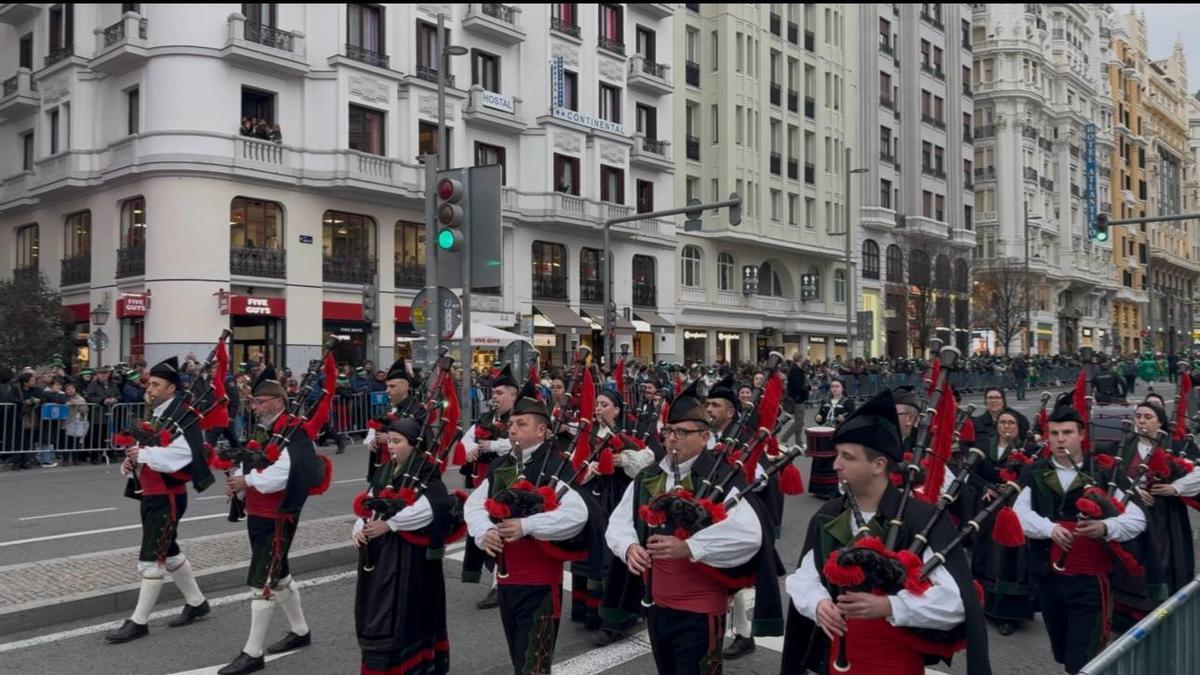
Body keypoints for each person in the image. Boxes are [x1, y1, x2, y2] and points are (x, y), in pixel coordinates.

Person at [780, 389, 991, 675]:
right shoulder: (830, 513)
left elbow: (956, 601)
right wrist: (818, 604)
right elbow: (805, 576)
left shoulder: (919, 518)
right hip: (834, 659)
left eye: (847, 457)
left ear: (879, 465)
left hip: (895, 662)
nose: (836, 465)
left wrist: (890, 606)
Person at [605, 379, 766, 674]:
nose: (672, 439)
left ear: (704, 436)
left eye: (682, 432)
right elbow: (618, 523)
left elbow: (749, 534)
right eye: (668, 431)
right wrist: (629, 547)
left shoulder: (721, 477)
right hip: (656, 603)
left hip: (701, 608)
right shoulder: (649, 476)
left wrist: (688, 547)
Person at [1013, 394, 1147, 674]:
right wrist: (1050, 528)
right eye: (1054, 434)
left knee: (1083, 658)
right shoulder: (1034, 472)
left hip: (1091, 581)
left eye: (1067, 433)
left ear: (1081, 434)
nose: (1060, 440)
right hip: (1050, 579)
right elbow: (1018, 515)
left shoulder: (1105, 471)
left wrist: (1105, 527)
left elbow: (1137, 519)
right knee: (1062, 651)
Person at [463, 378, 589, 674]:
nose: (513, 428)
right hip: (507, 582)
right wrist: (485, 531)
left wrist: (527, 525)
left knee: (534, 664)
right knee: (520, 660)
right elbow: (474, 505)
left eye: (521, 423)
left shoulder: (557, 465)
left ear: (542, 430)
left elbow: (578, 514)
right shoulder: (502, 466)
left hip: (540, 584)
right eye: (512, 423)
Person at [218, 368, 320, 674]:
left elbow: (285, 474)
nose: (255, 407)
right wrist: (237, 481)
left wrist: (246, 481)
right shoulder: (265, 429)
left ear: (278, 401)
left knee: (262, 580)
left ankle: (253, 652)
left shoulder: (294, 431)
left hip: (278, 514)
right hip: (259, 512)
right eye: (253, 403)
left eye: (260, 402)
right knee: (280, 574)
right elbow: (246, 457)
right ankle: (300, 631)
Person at [105, 357, 213, 644]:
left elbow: (184, 456)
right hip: (152, 494)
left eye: (156, 385)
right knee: (171, 551)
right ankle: (196, 602)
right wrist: (133, 464)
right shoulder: (160, 414)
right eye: (149, 383)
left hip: (168, 497)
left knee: (152, 558)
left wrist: (145, 456)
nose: (150, 389)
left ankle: (139, 621)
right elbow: (149, 448)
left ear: (171, 388)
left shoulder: (182, 415)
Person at [353, 417, 453, 674]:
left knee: (407, 618)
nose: (392, 447)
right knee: (379, 614)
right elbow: (369, 502)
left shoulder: (426, 472)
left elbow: (434, 508)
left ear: (414, 445)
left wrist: (391, 524)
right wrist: (359, 527)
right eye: (390, 441)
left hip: (412, 561)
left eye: (397, 442)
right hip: (381, 558)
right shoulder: (384, 470)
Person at [1105, 400, 1200, 633]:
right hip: (1131, 513)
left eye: (1148, 417)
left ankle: (1161, 612)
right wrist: (1133, 490)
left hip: (1165, 517)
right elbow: (1112, 473)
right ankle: (1127, 614)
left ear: (1159, 421)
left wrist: (1174, 488)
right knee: (1132, 560)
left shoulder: (1174, 445)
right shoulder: (1125, 445)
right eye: (1139, 416)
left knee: (1163, 560)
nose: (1142, 421)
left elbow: (1196, 472)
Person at [578, 387, 655, 646]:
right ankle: (591, 612)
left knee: (615, 557)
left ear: (617, 410)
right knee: (592, 555)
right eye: (597, 403)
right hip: (595, 498)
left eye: (605, 404)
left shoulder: (625, 437)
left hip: (617, 500)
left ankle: (616, 620)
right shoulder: (592, 435)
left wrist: (621, 459)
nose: (599, 408)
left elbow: (648, 460)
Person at [972, 409, 1037, 636]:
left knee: (1009, 559)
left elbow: (1030, 477)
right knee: (986, 555)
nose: (1006, 426)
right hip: (988, 509)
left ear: (1018, 427)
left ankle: (1007, 614)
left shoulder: (1027, 450)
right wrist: (985, 487)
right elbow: (973, 475)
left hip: (1013, 510)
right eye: (1002, 422)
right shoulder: (984, 446)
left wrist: (1013, 487)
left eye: (1011, 423)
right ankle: (981, 605)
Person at [460, 364, 520, 609]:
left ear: (513, 394)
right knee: (486, 526)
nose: (494, 397)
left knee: (504, 525)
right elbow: (466, 438)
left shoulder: (520, 416)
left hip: (511, 476)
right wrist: (472, 448)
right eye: (493, 393)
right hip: (487, 477)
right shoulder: (488, 418)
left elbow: (521, 442)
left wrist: (492, 446)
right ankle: (498, 578)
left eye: (499, 393)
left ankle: (502, 582)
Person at [783, 355, 809, 446]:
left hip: (796, 397)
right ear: (800, 359)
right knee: (799, 422)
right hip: (798, 397)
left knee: (799, 420)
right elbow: (797, 385)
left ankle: (798, 441)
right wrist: (807, 388)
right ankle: (784, 438)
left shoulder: (795, 369)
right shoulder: (796, 370)